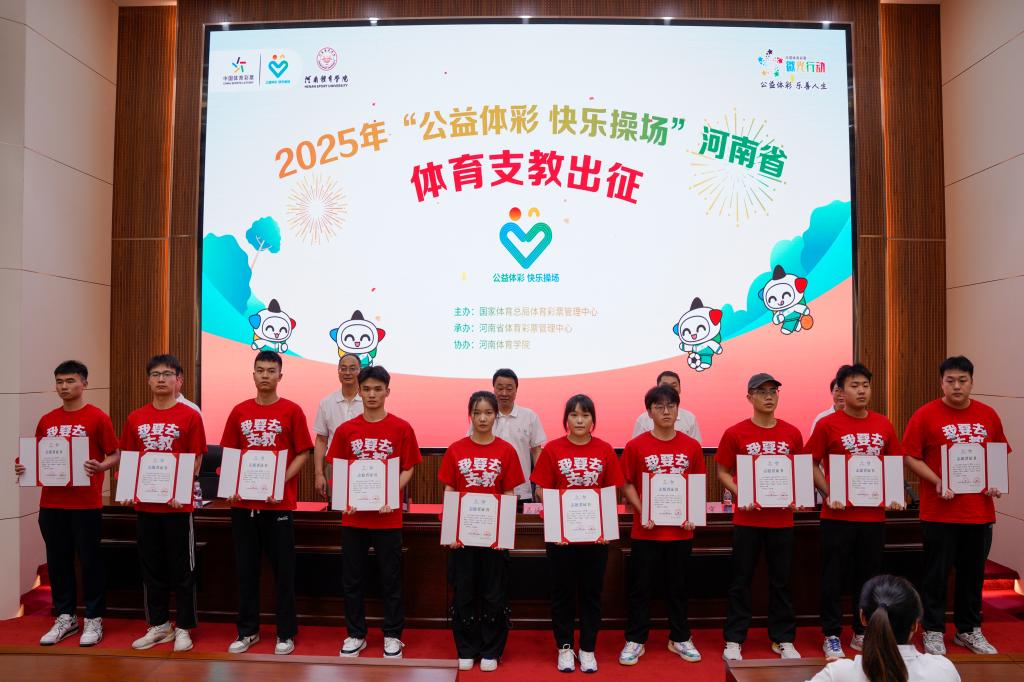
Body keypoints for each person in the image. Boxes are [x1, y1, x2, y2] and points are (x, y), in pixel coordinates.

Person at [902, 356, 1010, 656]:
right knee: (936, 575)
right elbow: (909, 455)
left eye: (963, 380)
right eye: (950, 381)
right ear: (941, 383)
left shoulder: (988, 415)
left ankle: (968, 629)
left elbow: (997, 453)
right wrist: (937, 480)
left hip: (978, 512)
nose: (957, 386)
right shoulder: (925, 415)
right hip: (939, 512)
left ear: (972, 382)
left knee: (972, 576)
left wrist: (995, 481)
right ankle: (933, 630)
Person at [14, 361, 119, 647]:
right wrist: (23, 467)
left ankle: (94, 617)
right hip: (52, 503)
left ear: (84, 383)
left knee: (90, 561)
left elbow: (115, 453)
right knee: (58, 561)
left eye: (70, 381)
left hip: (86, 504)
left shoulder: (97, 418)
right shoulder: (47, 420)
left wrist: (101, 466)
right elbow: (35, 455)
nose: (64, 386)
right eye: (59, 381)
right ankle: (65, 616)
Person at [220, 351, 313, 656]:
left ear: (280, 376)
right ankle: (248, 631)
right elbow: (230, 454)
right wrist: (231, 486)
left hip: (278, 505)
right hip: (243, 506)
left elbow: (303, 452)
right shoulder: (239, 411)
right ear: (253, 374)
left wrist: (280, 480)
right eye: (260, 370)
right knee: (246, 571)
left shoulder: (292, 411)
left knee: (283, 572)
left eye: (271, 371)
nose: (265, 375)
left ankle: (285, 632)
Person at [809, 363, 904, 660]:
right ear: (840, 391)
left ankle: (862, 631)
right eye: (854, 385)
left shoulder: (883, 424)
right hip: (837, 517)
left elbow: (893, 462)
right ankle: (831, 634)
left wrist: (893, 495)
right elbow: (809, 462)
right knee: (833, 577)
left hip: (873, 518)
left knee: (869, 579)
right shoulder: (828, 424)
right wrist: (829, 493)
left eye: (865, 385)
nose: (861, 391)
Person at [326, 365, 422, 658]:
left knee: (390, 579)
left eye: (378, 389)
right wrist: (343, 496)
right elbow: (336, 468)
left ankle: (392, 635)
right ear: (359, 391)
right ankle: (356, 633)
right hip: (354, 517)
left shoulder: (401, 428)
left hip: (387, 517)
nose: (371, 394)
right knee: (352, 579)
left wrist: (391, 493)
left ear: (387, 392)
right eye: (366, 389)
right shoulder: (346, 430)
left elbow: (409, 468)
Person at [531, 394, 624, 673]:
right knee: (562, 593)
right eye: (574, 415)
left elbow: (611, 492)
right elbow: (541, 490)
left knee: (591, 593)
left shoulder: (605, 449)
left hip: (595, 537)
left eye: (585, 415)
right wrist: (557, 525)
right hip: (561, 537)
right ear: (566, 419)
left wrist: (606, 527)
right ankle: (564, 647)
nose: (580, 420)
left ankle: (587, 648)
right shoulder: (553, 449)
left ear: (593, 419)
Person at [121, 354, 207, 653]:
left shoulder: (190, 416)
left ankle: (183, 626)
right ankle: (158, 625)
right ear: (148, 380)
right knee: (151, 568)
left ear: (178, 380)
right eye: (155, 374)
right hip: (146, 507)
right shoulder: (136, 417)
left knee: (183, 569)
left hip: (177, 507)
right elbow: (129, 458)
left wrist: (181, 489)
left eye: (167, 374)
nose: (161, 379)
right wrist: (128, 489)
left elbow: (196, 457)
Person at [715, 373, 804, 661]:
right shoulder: (735, 433)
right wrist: (742, 493)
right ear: (749, 397)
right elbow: (722, 472)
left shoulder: (792, 433)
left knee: (782, 581)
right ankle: (734, 638)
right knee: (741, 580)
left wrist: (799, 496)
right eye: (761, 391)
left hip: (781, 520)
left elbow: (799, 473)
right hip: (747, 519)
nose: (768, 396)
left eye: (773, 391)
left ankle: (783, 638)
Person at [618, 384, 704, 666]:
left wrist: (692, 513)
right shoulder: (636, 446)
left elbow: (697, 484)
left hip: (680, 531)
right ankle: (636, 639)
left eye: (671, 406)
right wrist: (643, 510)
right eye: (659, 407)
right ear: (649, 412)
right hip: (646, 531)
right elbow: (626, 483)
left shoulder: (691, 446)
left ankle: (680, 637)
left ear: (678, 410)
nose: (666, 411)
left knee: (678, 587)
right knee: (640, 588)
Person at [438, 391, 525, 673]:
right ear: (470, 416)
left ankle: (491, 650)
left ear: (496, 416)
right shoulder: (456, 449)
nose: (483, 418)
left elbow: (509, 494)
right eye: (477, 413)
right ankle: (466, 648)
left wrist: (505, 535)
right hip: (463, 539)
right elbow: (450, 491)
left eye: (488, 413)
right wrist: (450, 531)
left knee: (493, 594)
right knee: (464, 592)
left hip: (493, 539)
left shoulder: (506, 451)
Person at [807, 574, 960, 682]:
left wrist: (843, 670)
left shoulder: (837, 674)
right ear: (915, 624)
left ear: (862, 617)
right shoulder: (944, 669)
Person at [484, 368, 546, 504]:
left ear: (516, 390)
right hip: (489, 489)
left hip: (521, 490)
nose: (504, 393)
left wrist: (540, 485)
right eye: (500, 388)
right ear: (493, 388)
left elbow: (537, 452)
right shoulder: (483, 417)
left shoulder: (529, 416)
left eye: (509, 388)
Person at [313, 354, 363, 498]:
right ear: (338, 372)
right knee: (336, 507)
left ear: (360, 371)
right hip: (334, 464)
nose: (347, 372)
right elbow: (321, 440)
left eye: (352, 368)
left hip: (363, 463)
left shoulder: (369, 401)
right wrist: (318, 474)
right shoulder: (326, 402)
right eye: (343, 368)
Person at [631, 370, 702, 442]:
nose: (669, 389)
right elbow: (637, 445)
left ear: (680, 389)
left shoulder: (690, 418)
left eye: (674, 385)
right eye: (665, 385)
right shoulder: (643, 420)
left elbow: (696, 445)